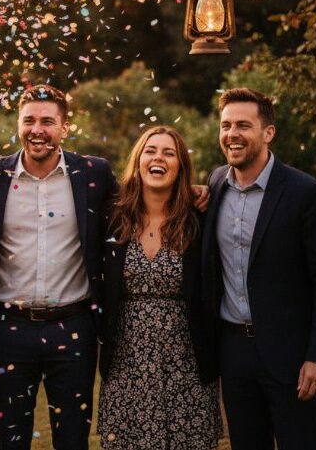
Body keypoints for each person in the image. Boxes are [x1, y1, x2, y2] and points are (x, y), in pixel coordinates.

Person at [0, 83, 118, 450]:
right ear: (18, 124)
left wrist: (195, 192)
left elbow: (142, 205)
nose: (38, 129)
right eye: (29, 120)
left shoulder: (94, 175)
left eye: (47, 121)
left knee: (72, 439)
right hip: (8, 328)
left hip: (75, 328)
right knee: (11, 440)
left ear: (65, 127)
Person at [202, 88, 316, 450]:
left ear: (268, 133)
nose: (232, 134)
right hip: (233, 353)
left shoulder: (304, 192)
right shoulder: (216, 184)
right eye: (226, 125)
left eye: (243, 126)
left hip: (293, 357)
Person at [97, 126, 221, 449]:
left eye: (169, 153)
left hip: (187, 365)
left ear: (180, 166)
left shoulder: (199, 219)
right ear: (138, 160)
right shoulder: (113, 217)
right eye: (151, 151)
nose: (159, 158)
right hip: (128, 365)